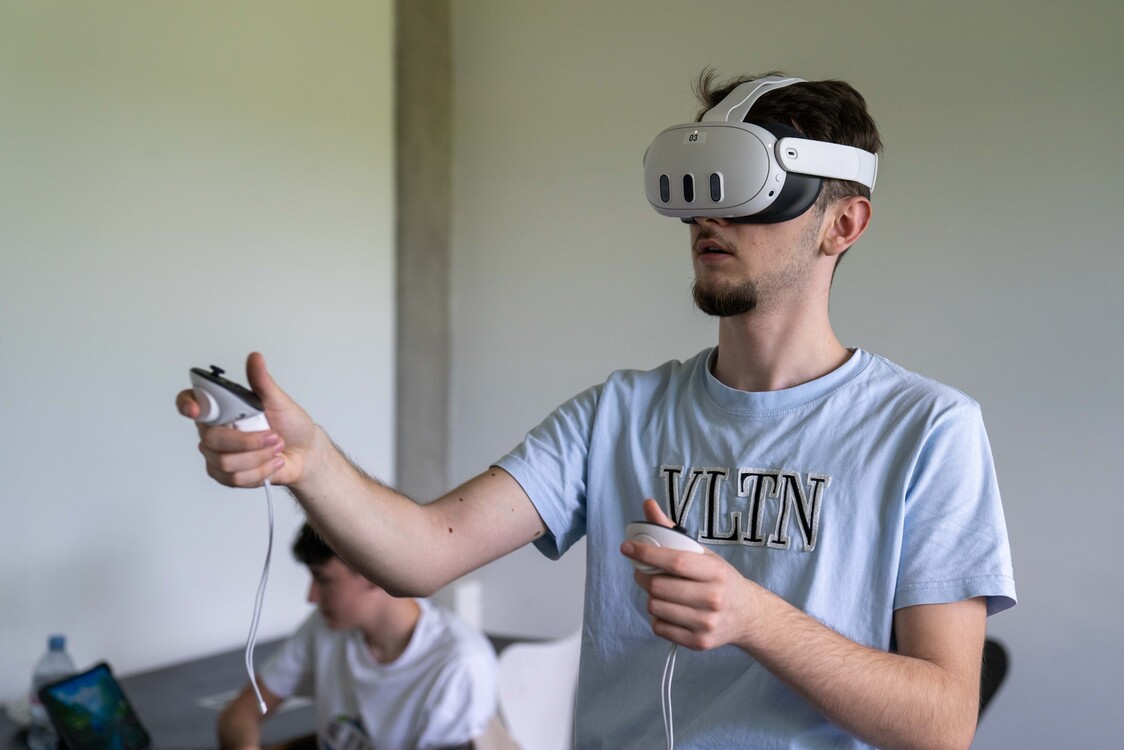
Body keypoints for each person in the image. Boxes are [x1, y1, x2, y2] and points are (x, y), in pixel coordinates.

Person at [181, 70, 1015, 750]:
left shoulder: (928, 431)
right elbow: (420, 555)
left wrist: (756, 619)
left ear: (844, 223)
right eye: (698, 189)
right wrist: (311, 462)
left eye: (750, 190)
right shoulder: (620, 413)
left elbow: (943, 724)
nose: (707, 216)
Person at [217, 523, 497, 750]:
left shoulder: (461, 665)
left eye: (323, 579)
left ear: (373, 571)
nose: (311, 597)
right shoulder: (326, 627)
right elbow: (239, 714)